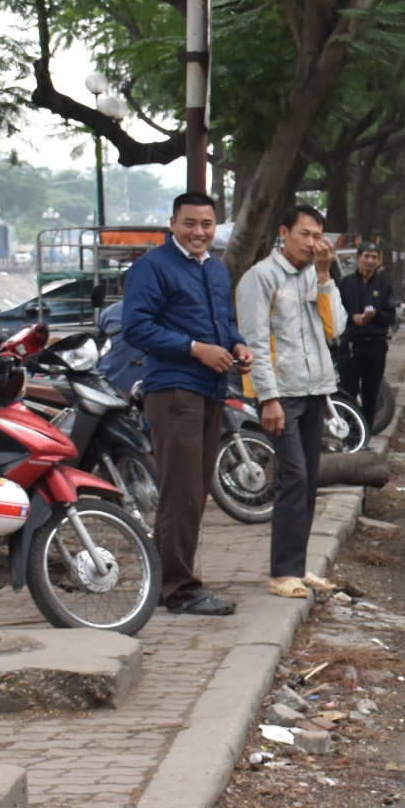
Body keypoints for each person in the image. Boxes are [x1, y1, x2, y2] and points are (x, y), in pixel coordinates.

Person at [121, 193, 252, 616]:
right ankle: (180, 590)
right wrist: (195, 348)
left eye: (207, 224)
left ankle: (170, 583)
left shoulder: (215, 268)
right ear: (173, 223)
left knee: (194, 492)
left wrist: (237, 344)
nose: (199, 232)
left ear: (216, 227)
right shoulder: (151, 267)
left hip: (211, 390)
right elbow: (136, 327)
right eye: (190, 223)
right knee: (182, 493)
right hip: (175, 390)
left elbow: (225, 322)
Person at [237, 204, 347, 599]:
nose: (312, 243)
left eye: (318, 235)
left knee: (308, 480)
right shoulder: (261, 278)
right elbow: (253, 342)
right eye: (305, 234)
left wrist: (324, 277)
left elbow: (336, 327)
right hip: (280, 394)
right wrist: (267, 398)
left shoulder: (312, 276)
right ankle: (282, 572)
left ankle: (298, 568)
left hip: (314, 389)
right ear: (284, 232)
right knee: (293, 478)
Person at [337, 241, 396, 428]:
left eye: (374, 257)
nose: (370, 261)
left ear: (378, 261)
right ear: (358, 258)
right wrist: (352, 318)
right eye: (366, 256)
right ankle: (349, 436)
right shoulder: (345, 284)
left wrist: (375, 315)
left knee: (371, 393)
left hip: (376, 346)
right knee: (348, 392)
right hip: (351, 345)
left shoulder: (384, 285)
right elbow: (333, 314)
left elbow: (391, 317)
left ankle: (366, 434)